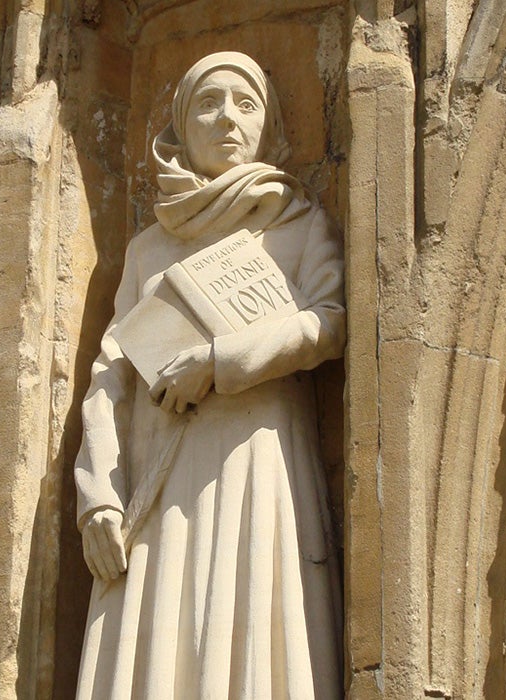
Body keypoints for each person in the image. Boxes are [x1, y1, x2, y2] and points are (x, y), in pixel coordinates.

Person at [74, 51, 345, 699]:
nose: (227, 117)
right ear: (180, 124)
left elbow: (328, 323)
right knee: (162, 640)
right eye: (208, 102)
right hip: (164, 468)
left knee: (251, 628)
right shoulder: (150, 250)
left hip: (256, 459)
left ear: (267, 125)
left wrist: (219, 364)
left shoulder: (297, 225)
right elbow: (110, 376)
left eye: (245, 104)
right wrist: (98, 500)